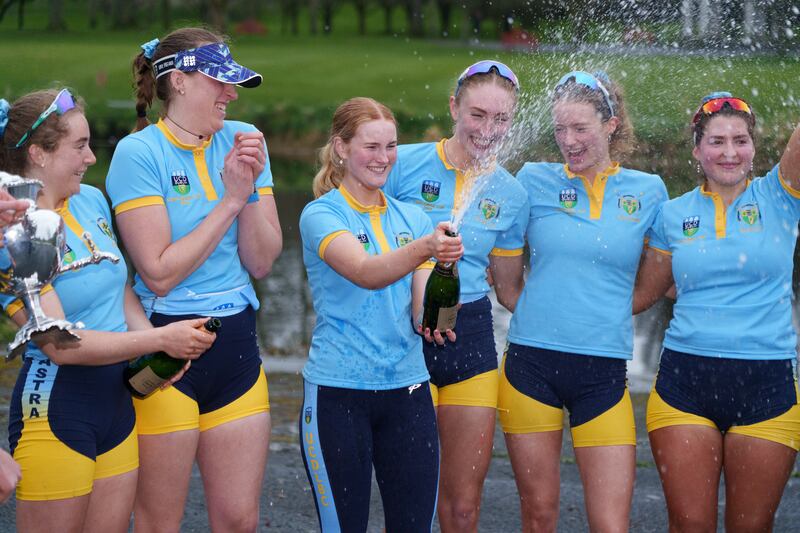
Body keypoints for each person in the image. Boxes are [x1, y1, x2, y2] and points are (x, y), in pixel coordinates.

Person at [0, 89, 215, 532]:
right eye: (79, 146)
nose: (92, 158)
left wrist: (150, 357)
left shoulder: (91, 201)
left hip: (115, 404)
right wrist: (158, 338)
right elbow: (58, 344)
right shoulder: (17, 234)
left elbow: (120, 293)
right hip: (57, 407)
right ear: (38, 154)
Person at [104, 28, 282, 532]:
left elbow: (264, 262)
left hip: (238, 346)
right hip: (166, 347)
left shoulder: (244, 137)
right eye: (219, 82)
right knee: (161, 523)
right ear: (178, 81)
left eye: (234, 84)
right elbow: (158, 273)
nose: (231, 93)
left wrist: (247, 193)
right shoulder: (139, 154)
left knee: (239, 521)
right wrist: (229, 201)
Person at [497, 71, 668, 532]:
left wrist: (606, 311)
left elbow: (658, 281)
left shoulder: (648, 190)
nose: (567, 141)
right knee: (538, 515)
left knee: (611, 524)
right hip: (531, 367)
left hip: (603, 374)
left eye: (580, 129)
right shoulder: (533, 180)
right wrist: (543, 312)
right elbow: (507, 282)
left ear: (610, 125)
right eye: (559, 130)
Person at [633, 92, 800, 532]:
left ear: (754, 147)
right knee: (689, 525)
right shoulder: (672, 214)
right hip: (685, 384)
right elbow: (647, 293)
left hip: (768, 386)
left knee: (751, 526)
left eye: (740, 140)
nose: (730, 152)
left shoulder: (781, 195)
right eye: (716, 141)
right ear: (697, 150)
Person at [299, 97, 463, 532]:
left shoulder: (412, 216)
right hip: (338, 393)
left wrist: (443, 280)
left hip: (407, 392)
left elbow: (420, 310)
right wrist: (426, 247)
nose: (384, 158)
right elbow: (366, 273)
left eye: (391, 146)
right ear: (341, 147)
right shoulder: (321, 214)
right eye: (371, 146)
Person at [383, 59, 528, 531]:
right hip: (404, 336)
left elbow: (508, 287)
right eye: (477, 115)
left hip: (470, 337)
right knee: (410, 497)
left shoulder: (510, 193)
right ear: (453, 107)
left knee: (463, 507)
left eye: (502, 118)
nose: (489, 130)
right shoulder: (401, 164)